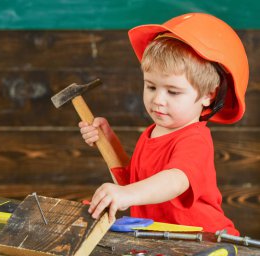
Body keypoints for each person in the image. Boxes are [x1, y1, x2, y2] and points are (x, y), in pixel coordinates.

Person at [79, 13, 248, 235]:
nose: (158, 99)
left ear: (208, 95)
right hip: (160, 241)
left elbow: (175, 180)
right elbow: (131, 183)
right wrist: (108, 139)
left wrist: (126, 195)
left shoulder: (195, 139)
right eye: (151, 87)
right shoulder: (151, 133)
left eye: (173, 91)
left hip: (203, 241)